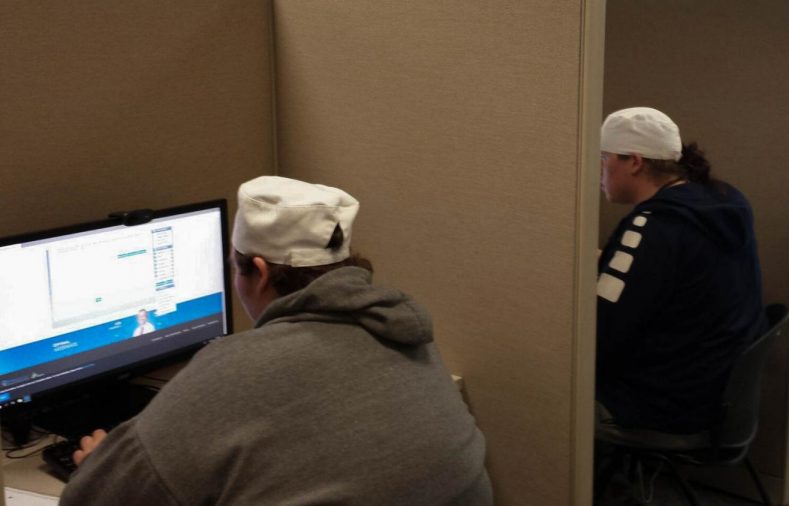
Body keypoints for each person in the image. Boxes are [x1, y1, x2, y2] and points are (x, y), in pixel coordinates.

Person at [60, 176, 493, 505]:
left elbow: (93, 498)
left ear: (261, 273)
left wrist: (101, 463)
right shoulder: (404, 326)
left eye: (235, 268)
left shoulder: (234, 370)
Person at [595, 107, 765, 436]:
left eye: (604, 158)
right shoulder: (722, 201)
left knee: (544, 382)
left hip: (666, 404)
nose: (600, 171)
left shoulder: (652, 225)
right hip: (716, 388)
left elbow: (601, 336)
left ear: (634, 161)